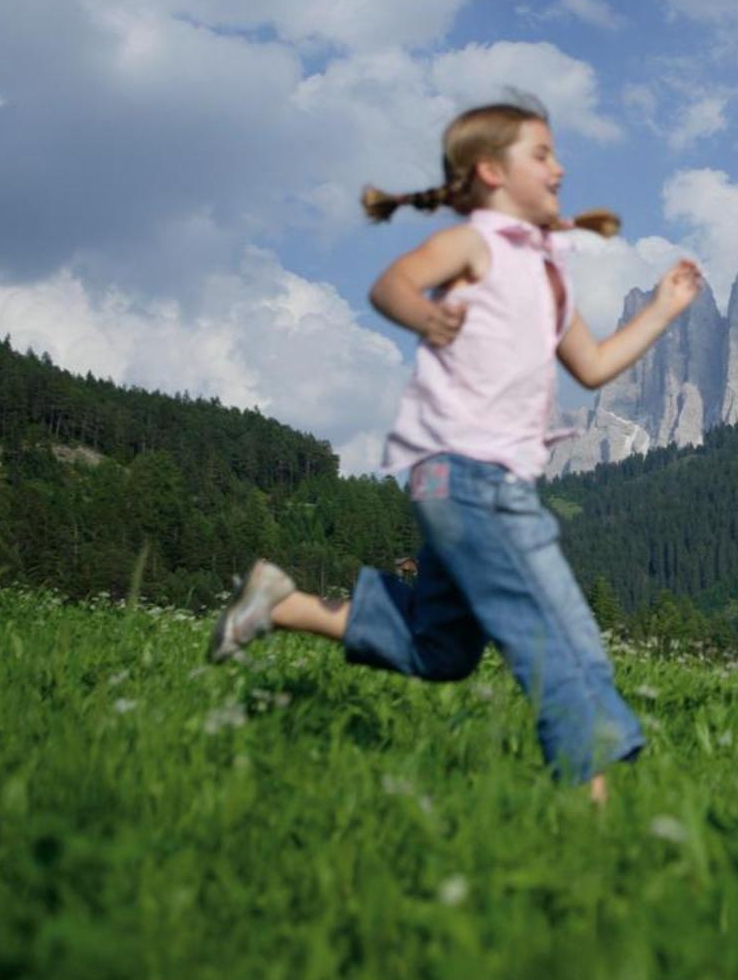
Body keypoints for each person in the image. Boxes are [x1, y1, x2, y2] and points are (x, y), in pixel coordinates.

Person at [207, 101, 701, 803]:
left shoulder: (548, 274)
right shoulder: (479, 243)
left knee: (441, 648)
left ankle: (281, 602)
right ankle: (592, 822)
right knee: (560, 636)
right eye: (543, 154)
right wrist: (426, 314)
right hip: (470, 479)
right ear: (491, 172)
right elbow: (391, 283)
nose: (560, 167)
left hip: (472, 485)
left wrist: (661, 311)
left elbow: (590, 366)